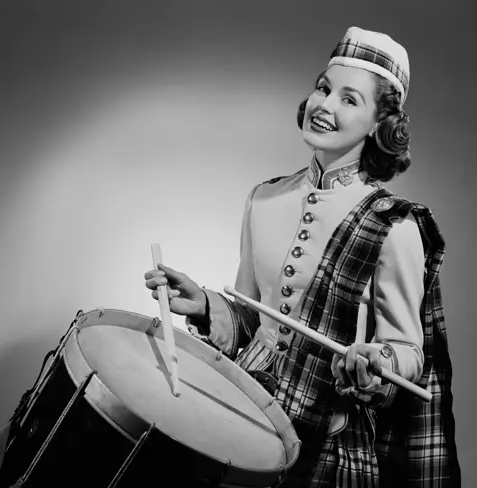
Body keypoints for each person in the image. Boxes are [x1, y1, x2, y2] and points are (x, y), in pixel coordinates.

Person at [145, 26, 460, 487]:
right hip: (243, 414)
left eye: (349, 100)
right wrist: (209, 305)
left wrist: (377, 360)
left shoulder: (396, 226)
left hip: (326, 448)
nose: (325, 106)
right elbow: (254, 316)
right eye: (323, 88)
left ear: (380, 124)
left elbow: (410, 352)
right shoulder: (264, 198)